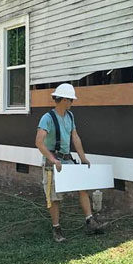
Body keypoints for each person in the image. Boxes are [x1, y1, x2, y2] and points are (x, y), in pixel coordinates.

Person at [35, 83, 104, 242]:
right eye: (70, 100)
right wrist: (52, 159)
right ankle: (56, 228)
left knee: (82, 188)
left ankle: (90, 221)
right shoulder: (47, 118)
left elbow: (75, 137)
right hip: (52, 162)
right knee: (54, 197)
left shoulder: (70, 116)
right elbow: (39, 142)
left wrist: (83, 157)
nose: (72, 103)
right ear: (62, 99)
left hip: (67, 160)